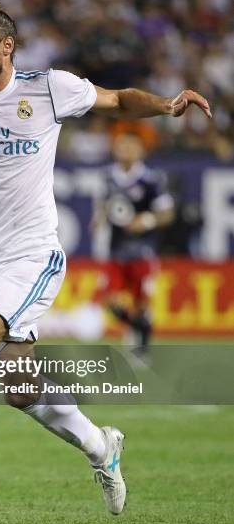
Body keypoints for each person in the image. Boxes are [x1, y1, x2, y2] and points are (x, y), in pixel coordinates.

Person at [0, 1, 211, 516]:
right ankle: (101, 447)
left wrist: (167, 106)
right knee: (21, 389)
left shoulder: (48, 87)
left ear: (6, 46)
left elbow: (117, 100)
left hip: (33, 254)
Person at [93, 131, 174, 357]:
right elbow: (104, 204)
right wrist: (98, 219)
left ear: (140, 150)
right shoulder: (108, 176)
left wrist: (146, 220)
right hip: (115, 250)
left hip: (142, 250)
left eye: (129, 145)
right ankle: (140, 329)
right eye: (120, 145)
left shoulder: (151, 179)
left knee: (141, 302)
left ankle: (141, 347)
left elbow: (167, 213)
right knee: (111, 302)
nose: (124, 150)